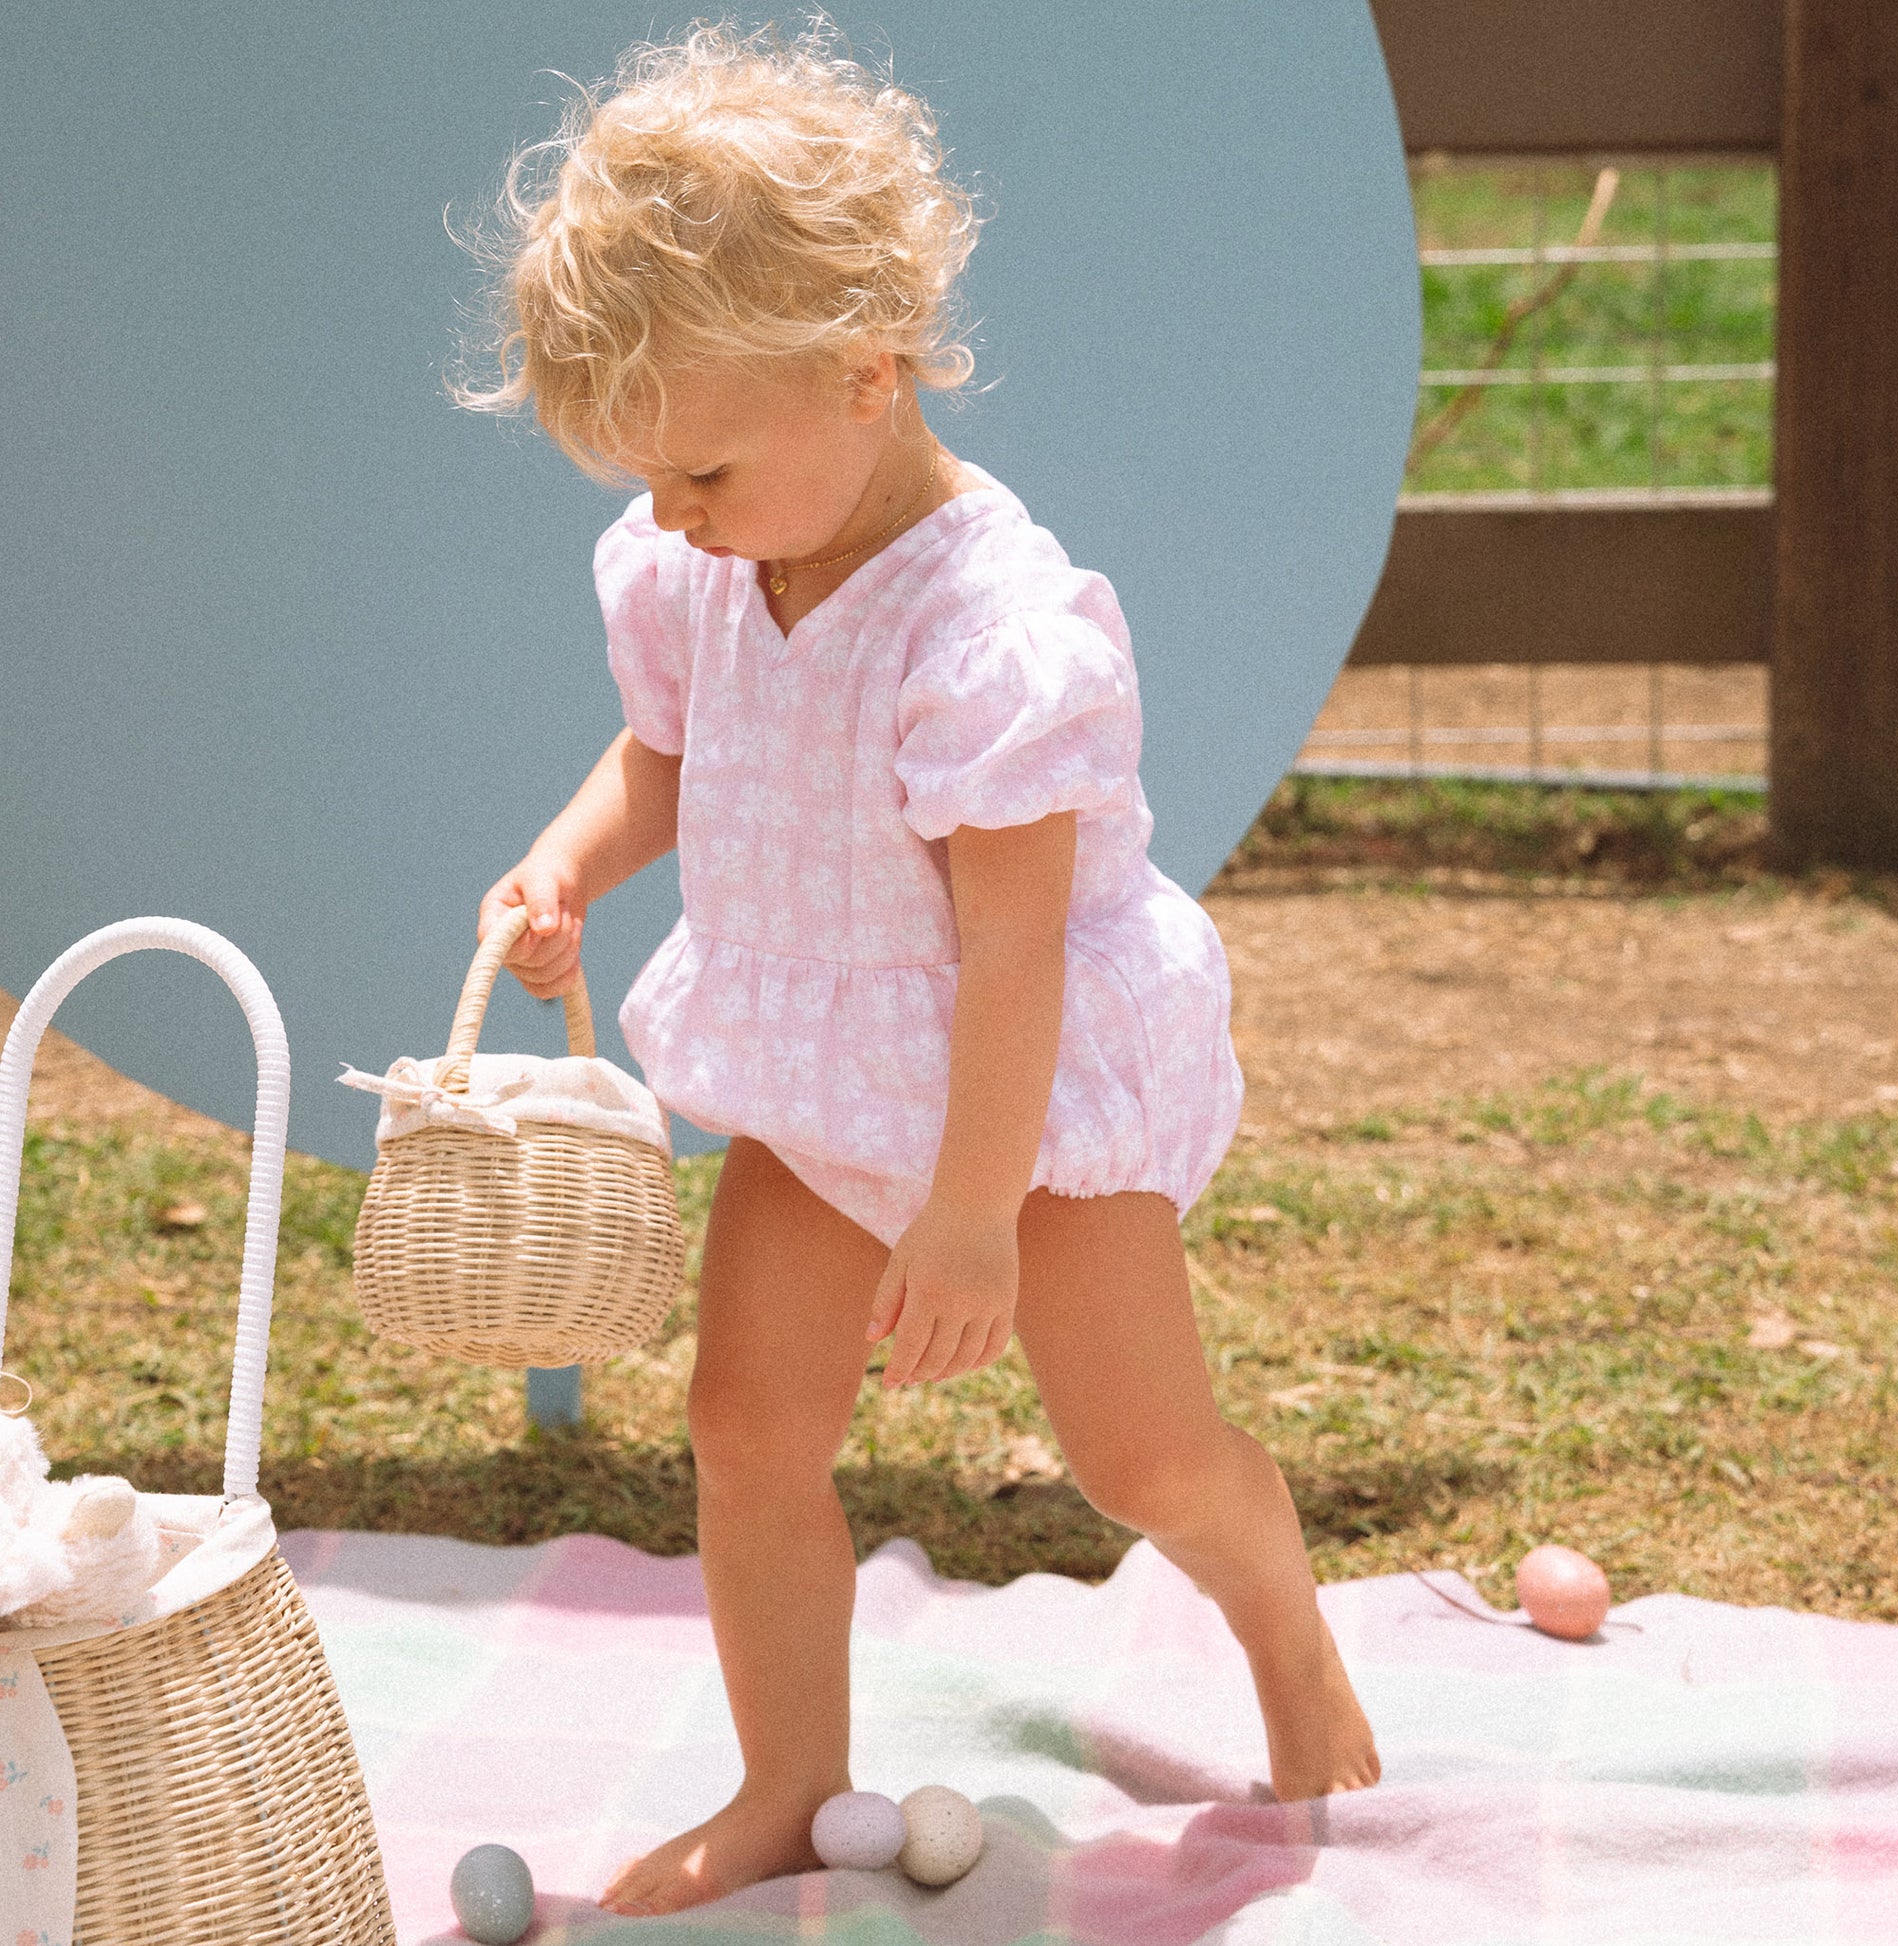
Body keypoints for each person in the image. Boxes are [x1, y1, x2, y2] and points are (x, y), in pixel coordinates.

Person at [459, 22, 1379, 1918]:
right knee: (745, 1426)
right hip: (815, 1075)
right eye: (647, 479)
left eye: (702, 467)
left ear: (865, 375)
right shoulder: (702, 557)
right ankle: (790, 1781)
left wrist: (974, 1214)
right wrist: (568, 862)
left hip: (1013, 1096)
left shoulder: (990, 628)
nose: (671, 513)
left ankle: (1283, 1622)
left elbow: (1013, 944)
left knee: (1139, 1452)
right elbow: (675, 753)